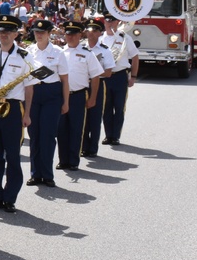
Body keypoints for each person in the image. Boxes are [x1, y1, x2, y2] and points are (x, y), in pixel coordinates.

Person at [0, 15, 35, 213]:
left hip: (13, 108)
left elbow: (29, 88)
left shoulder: (24, 56)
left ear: (15, 34)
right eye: (0, 31)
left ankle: (10, 197)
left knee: (13, 155)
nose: (3, 35)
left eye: (8, 32)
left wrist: (27, 114)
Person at [25, 20, 70, 187]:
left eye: (42, 32)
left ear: (49, 33)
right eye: (36, 31)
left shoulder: (58, 52)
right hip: (34, 93)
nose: (39, 34)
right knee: (35, 135)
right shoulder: (29, 51)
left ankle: (47, 174)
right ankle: (35, 173)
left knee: (48, 136)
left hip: (52, 94)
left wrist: (66, 102)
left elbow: (65, 80)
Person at [56, 22, 103, 172]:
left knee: (76, 129)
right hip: (61, 96)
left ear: (79, 35)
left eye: (74, 34)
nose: (70, 37)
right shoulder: (59, 53)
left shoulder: (87, 54)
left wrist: (93, 97)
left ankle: (73, 161)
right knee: (61, 130)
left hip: (78, 96)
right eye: (68, 34)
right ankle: (63, 160)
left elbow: (95, 77)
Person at [100, 14, 139, 146]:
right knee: (106, 107)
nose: (110, 23)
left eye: (113, 21)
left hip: (120, 76)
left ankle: (116, 136)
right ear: (104, 22)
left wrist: (133, 76)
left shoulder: (125, 38)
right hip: (105, 77)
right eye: (107, 20)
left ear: (118, 22)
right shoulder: (100, 39)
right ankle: (108, 135)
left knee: (119, 106)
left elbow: (135, 57)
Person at [81, 18, 115, 157]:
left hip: (98, 84)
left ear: (100, 33)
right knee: (82, 117)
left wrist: (93, 71)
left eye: (95, 30)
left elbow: (108, 72)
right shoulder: (81, 48)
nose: (91, 33)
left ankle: (93, 148)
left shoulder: (105, 50)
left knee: (95, 117)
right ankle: (83, 146)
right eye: (89, 30)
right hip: (82, 85)